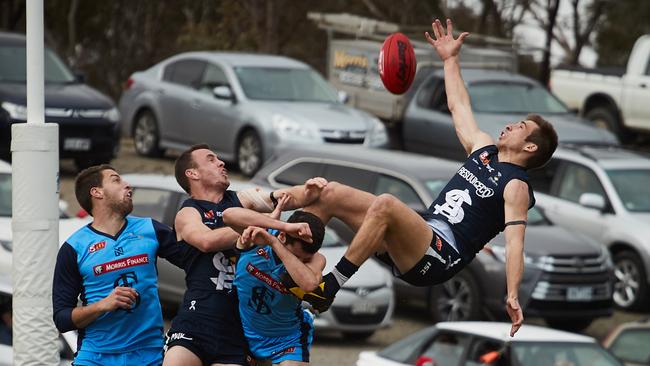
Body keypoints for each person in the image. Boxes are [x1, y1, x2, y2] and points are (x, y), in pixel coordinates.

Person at [273, 19, 559, 337]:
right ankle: (293, 268)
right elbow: (458, 105)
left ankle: (327, 288)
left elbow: (515, 243)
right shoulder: (484, 150)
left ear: (530, 146)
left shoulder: (516, 185)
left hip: (440, 255)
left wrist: (512, 293)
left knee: (386, 204)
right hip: (418, 237)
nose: (510, 126)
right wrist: (450, 59)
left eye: (520, 127)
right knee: (330, 193)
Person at [163, 144, 326, 366]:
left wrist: (307, 192)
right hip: (198, 316)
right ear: (192, 174)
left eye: (219, 157)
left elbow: (282, 197)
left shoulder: (242, 200)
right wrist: (266, 228)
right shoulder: (189, 212)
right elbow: (206, 241)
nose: (221, 162)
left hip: (238, 328)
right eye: (211, 159)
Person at [53, 165, 188, 366]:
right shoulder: (74, 248)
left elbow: (197, 263)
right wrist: (102, 305)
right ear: (96, 192)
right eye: (116, 180)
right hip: (95, 357)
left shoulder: (150, 229)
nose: (127, 185)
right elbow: (62, 319)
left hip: (148, 354)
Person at [224, 202, 326, 366]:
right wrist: (280, 226)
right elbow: (228, 215)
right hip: (242, 330)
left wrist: (275, 244)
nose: (298, 262)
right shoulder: (260, 236)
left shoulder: (316, 259)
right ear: (284, 235)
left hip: (286, 339)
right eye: (296, 255)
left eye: (304, 259)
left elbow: (308, 284)